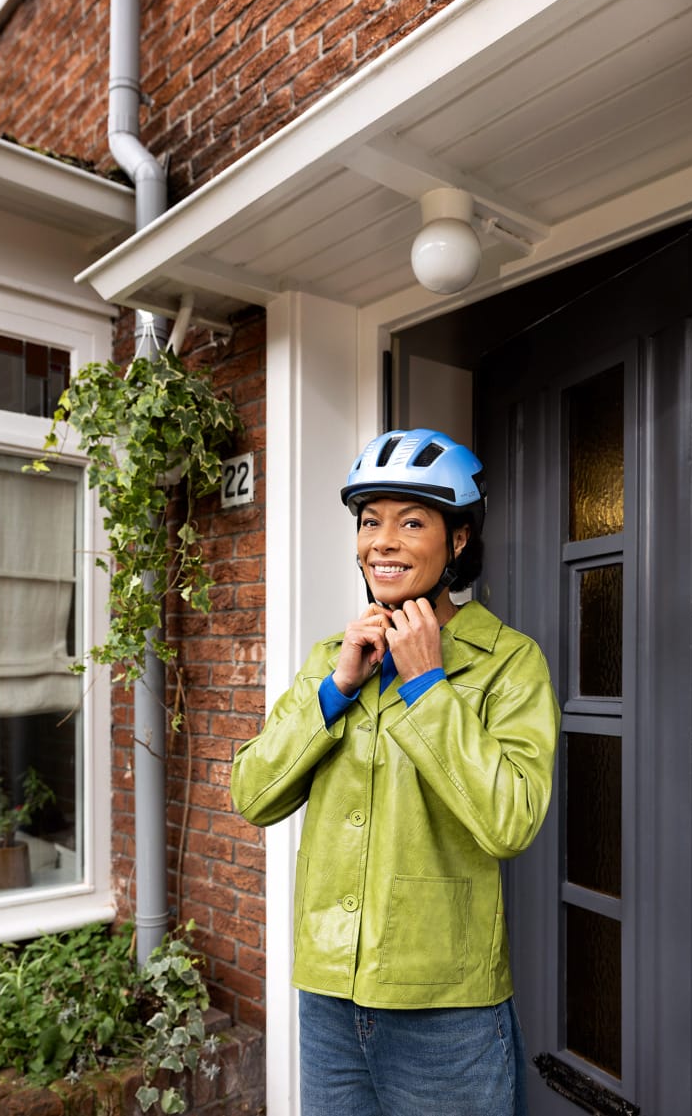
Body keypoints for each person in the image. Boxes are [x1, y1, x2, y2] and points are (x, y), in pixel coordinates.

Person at [231, 428, 559, 1116]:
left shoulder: (509, 660)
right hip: (327, 999)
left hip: (447, 1014)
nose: (383, 540)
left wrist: (428, 687)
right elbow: (252, 792)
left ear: (459, 539)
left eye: (411, 520)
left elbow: (512, 819)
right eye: (369, 520)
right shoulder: (333, 655)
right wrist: (336, 689)